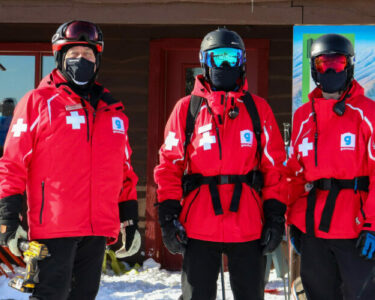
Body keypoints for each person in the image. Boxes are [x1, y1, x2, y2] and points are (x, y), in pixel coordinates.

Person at [0, 20, 140, 300]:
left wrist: (128, 219)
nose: (81, 60)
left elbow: (124, 171)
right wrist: (7, 219)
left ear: (97, 60)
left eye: (88, 55)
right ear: (60, 57)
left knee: (85, 295)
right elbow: (12, 163)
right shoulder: (38, 102)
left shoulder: (113, 112)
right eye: (73, 54)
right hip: (54, 227)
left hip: (98, 228)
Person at [154, 28, 287, 300]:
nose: (224, 65)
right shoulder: (187, 109)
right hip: (199, 223)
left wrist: (274, 217)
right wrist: (168, 217)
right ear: (205, 61)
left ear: (242, 62)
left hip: (248, 223)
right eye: (217, 58)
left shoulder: (257, 109)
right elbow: (169, 166)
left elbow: (275, 169)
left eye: (231, 58)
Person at [286, 34, 375, 300]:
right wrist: (293, 220)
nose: (332, 70)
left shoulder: (367, 112)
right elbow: (293, 175)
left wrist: (372, 224)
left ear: (349, 66)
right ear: (314, 68)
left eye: (338, 63)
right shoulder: (303, 116)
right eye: (325, 64)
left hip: (357, 229)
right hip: (313, 229)